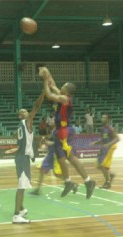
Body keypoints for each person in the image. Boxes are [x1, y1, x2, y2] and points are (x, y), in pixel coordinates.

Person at [39, 66, 96, 199]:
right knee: (61, 158)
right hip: (59, 131)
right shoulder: (64, 97)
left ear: (67, 90)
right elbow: (52, 84)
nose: (61, 86)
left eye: (63, 86)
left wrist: (43, 81)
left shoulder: (65, 99)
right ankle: (69, 182)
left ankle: (88, 181)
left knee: (70, 157)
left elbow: (49, 94)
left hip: (64, 131)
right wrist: (47, 73)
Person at [11, 92, 45, 224]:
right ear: (20, 116)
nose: (26, 112)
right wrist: (43, 93)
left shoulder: (19, 127)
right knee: (21, 185)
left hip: (22, 156)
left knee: (23, 184)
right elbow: (36, 106)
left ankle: (20, 208)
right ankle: (16, 215)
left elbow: (16, 137)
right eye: (23, 111)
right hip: (22, 157)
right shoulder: (26, 122)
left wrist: (29, 151)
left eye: (26, 111)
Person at [30, 119, 76, 196]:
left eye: (52, 121)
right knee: (42, 170)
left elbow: (57, 143)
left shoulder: (59, 131)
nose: (50, 121)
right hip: (51, 154)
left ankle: (72, 184)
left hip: (56, 154)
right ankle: (37, 190)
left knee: (56, 174)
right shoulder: (52, 130)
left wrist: (47, 142)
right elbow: (48, 139)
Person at [89, 114, 120, 189]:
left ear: (107, 119)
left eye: (104, 118)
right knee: (98, 165)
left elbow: (117, 138)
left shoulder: (110, 128)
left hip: (110, 148)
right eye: (102, 117)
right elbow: (103, 139)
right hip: (104, 148)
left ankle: (108, 182)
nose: (102, 119)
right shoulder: (102, 128)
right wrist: (95, 143)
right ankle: (111, 174)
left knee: (102, 165)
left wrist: (108, 144)